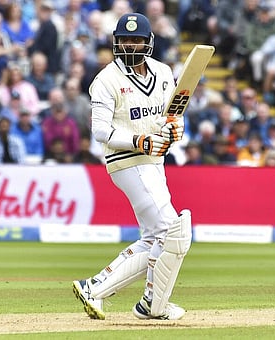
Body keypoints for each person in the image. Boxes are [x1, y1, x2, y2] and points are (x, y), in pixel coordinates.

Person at [72, 13, 191, 321]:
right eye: (125, 40)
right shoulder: (106, 81)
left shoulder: (164, 72)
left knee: (154, 237)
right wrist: (139, 141)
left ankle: (93, 288)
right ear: (116, 42)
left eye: (137, 40)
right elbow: (100, 131)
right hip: (125, 161)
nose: (131, 46)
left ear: (148, 42)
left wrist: (175, 129)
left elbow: (170, 115)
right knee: (171, 231)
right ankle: (153, 304)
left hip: (155, 161)